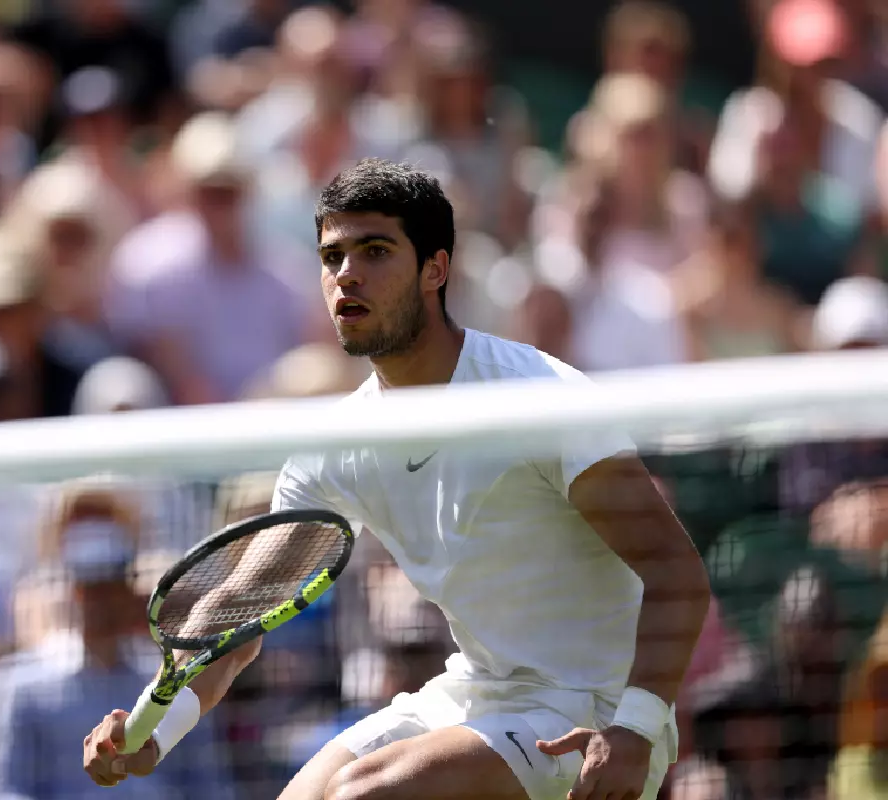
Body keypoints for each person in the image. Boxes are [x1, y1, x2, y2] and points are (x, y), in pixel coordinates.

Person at [82, 158, 711, 800]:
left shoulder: (538, 399)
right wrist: (149, 730)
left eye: (375, 251)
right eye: (333, 258)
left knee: (363, 796)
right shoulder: (339, 443)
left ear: (435, 269)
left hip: (598, 710)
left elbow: (675, 571)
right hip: (476, 691)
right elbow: (238, 616)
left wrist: (636, 727)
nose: (347, 274)